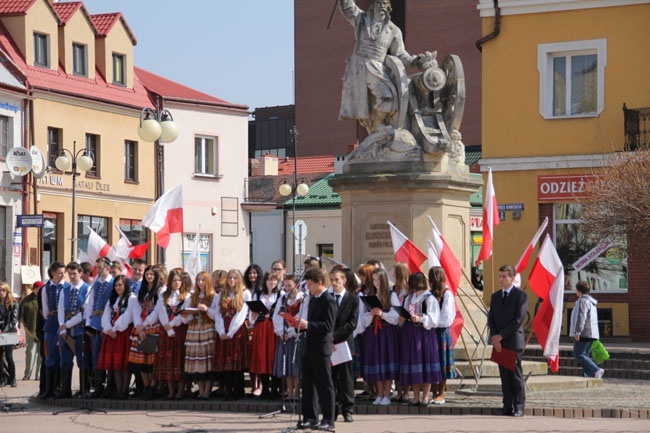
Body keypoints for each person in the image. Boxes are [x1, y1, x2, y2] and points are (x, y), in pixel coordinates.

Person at [338, 0, 425, 134]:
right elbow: (348, 8)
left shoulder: (393, 30)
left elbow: (401, 54)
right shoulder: (361, 19)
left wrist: (415, 61)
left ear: (389, 8)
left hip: (377, 67)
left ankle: (378, 124)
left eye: (385, 4)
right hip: (359, 65)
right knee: (363, 103)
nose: (382, 7)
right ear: (373, 6)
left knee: (389, 97)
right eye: (379, 3)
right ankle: (376, 126)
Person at [295, 268, 337, 431]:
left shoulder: (329, 300)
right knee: (308, 383)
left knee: (325, 384)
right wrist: (300, 323)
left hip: (322, 347)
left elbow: (328, 325)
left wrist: (308, 324)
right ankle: (310, 417)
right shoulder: (313, 299)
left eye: (311, 285)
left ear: (320, 283)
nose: (308, 288)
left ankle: (328, 419)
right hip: (310, 345)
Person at [487, 264, 527, 417]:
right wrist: (495, 337)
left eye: (504, 277)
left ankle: (519, 406)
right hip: (499, 343)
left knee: (515, 375)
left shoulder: (520, 296)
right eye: (500, 276)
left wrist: (501, 335)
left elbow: (518, 320)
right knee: (504, 376)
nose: (501, 279)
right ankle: (507, 407)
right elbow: (491, 319)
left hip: (513, 341)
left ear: (512, 278)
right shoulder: (495, 296)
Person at [398, 272, 441, 407]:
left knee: (425, 363)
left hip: (424, 334)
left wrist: (421, 318)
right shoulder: (409, 298)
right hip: (410, 333)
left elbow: (434, 320)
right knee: (414, 365)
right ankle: (416, 397)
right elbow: (404, 312)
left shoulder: (429, 298)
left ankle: (425, 397)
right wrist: (403, 317)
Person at [213, 269, 251, 401]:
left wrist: (230, 333)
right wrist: (221, 331)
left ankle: (239, 391)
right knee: (226, 362)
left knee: (237, 362)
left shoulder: (245, 294)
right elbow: (218, 314)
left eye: (235, 278)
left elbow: (241, 316)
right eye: (230, 278)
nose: (232, 280)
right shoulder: (221, 295)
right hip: (224, 330)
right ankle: (228, 390)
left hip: (237, 331)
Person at [97, 275, 137, 399]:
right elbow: (106, 316)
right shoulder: (112, 299)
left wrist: (114, 329)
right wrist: (108, 329)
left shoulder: (131, 299)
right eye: (116, 285)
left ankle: (124, 391)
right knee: (115, 364)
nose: (118, 287)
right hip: (112, 334)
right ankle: (118, 390)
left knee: (124, 364)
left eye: (120, 285)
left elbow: (128, 316)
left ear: (126, 285)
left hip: (124, 332)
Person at [153, 269, 190, 400]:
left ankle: (180, 390)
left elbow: (184, 314)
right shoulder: (164, 295)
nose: (177, 282)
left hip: (179, 330)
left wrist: (173, 324)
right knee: (168, 361)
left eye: (179, 280)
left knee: (179, 359)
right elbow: (161, 312)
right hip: (166, 330)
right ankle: (170, 391)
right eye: (174, 280)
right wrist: (167, 327)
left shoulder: (186, 296)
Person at [56, 262, 90, 398]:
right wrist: (62, 327)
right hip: (65, 330)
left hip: (79, 329)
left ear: (80, 273)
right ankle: (65, 389)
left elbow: (85, 312)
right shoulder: (65, 289)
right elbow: (60, 309)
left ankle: (84, 389)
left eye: (74, 273)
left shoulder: (87, 289)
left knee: (82, 360)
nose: (71, 276)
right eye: (69, 274)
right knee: (65, 360)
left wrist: (68, 325)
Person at [128, 265, 161, 400]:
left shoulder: (160, 291)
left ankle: (153, 387)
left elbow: (158, 311)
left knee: (153, 361)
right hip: (141, 326)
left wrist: (145, 324)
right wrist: (139, 326)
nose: (149, 277)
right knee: (141, 360)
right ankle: (146, 387)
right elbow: (136, 310)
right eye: (147, 274)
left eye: (151, 275)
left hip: (153, 325)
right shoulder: (141, 290)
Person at [330, 268, 358, 423]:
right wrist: (329, 339)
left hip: (344, 343)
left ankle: (347, 409)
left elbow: (351, 323)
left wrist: (334, 337)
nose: (334, 283)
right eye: (332, 280)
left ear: (344, 280)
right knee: (331, 378)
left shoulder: (352, 299)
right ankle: (333, 408)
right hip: (330, 344)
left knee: (346, 378)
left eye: (337, 280)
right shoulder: (328, 298)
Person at [183, 270, 217, 400]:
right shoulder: (191, 297)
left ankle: (207, 390)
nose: (200, 283)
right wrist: (186, 313)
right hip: (194, 329)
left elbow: (215, 315)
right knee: (197, 361)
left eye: (203, 280)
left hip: (207, 328)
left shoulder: (214, 296)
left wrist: (206, 309)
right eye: (198, 280)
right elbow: (186, 318)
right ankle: (201, 390)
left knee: (207, 360)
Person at [249, 270, 283, 399]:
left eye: (274, 280)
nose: (272, 282)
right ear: (265, 281)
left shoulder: (280, 294)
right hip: (261, 327)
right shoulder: (258, 294)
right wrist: (253, 315)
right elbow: (252, 313)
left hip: (273, 327)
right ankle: (264, 389)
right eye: (270, 279)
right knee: (262, 357)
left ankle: (274, 389)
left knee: (273, 357)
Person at [272, 273, 304, 401]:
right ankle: (289, 392)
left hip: (297, 335)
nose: (287, 288)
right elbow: (276, 316)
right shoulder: (283, 298)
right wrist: (281, 332)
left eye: (290, 285)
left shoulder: (302, 298)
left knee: (295, 365)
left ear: (296, 285)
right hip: (285, 336)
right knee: (288, 367)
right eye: (285, 285)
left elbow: (303, 316)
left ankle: (297, 392)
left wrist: (291, 332)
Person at [86, 257, 113, 399]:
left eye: (100, 267)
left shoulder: (113, 283)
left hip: (107, 323)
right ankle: (98, 386)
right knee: (96, 356)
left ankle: (110, 386)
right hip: (96, 323)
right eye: (97, 267)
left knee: (108, 356)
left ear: (107, 268)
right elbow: (89, 304)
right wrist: (89, 324)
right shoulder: (95, 284)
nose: (97, 269)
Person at [429, 266, 456, 404]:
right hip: (431, 331)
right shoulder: (430, 294)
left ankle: (441, 392)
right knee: (434, 362)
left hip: (441, 331)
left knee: (442, 362)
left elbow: (447, 318)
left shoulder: (447, 295)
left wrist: (432, 321)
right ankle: (433, 392)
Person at [41, 262, 67, 398]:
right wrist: (51, 316)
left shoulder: (66, 286)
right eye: (60, 272)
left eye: (63, 272)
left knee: (62, 355)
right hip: (51, 323)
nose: (62, 275)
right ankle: (49, 389)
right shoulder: (46, 289)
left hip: (63, 323)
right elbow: (45, 310)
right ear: (52, 273)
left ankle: (60, 387)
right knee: (49, 355)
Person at [569, 280, 604, 379]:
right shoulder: (591, 302)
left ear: (579, 291)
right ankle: (588, 374)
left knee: (578, 354)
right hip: (592, 333)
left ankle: (596, 369)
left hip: (584, 333)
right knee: (585, 355)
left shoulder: (582, 301)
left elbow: (581, 317)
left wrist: (577, 332)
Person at [19, 281, 44, 382]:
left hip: (42, 330)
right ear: (34, 289)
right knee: (30, 353)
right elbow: (21, 316)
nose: (38, 290)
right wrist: (24, 327)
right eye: (37, 288)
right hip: (30, 331)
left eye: (40, 288)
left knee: (41, 354)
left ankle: (38, 374)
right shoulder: (26, 301)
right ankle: (27, 374)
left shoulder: (44, 300)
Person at [0, 282, 19, 387]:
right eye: (0, 291)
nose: (1, 293)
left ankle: (12, 378)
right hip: (0, 331)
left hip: (10, 332)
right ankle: (2, 378)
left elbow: (13, 320)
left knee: (9, 356)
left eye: (3, 290)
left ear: (7, 291)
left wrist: (5, 330)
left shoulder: (14, 303)